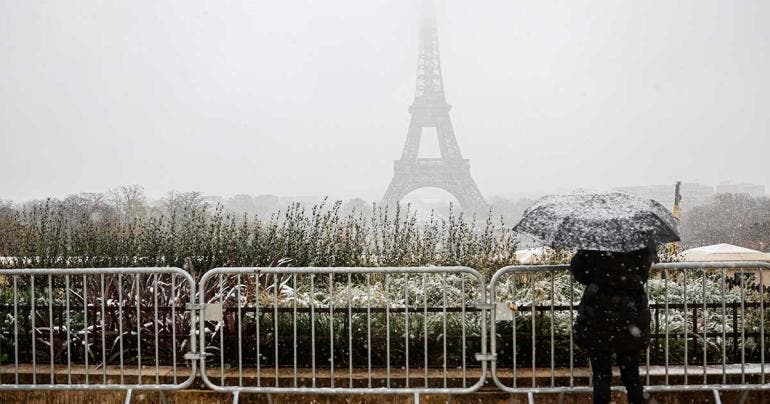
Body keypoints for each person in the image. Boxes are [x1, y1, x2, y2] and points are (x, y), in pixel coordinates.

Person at [571, 241, 657, 404]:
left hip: (599, 315)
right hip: (631, 315)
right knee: (632, 375)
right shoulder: (641, 241)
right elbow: (643, 275)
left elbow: (580, 273)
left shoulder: (594, 241)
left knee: (601, 376)